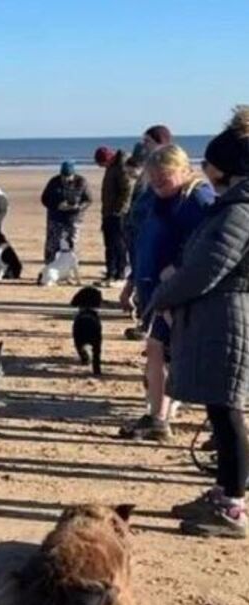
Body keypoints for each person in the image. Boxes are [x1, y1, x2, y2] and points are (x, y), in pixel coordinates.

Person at [147, 106, 249, 538]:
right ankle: (226, 490)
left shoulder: (238, 211)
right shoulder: (233, 206)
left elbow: (205, 269)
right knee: (220, 408)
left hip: (226, 320)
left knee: (227, 412)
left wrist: (162, 294)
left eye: (208, 163)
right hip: (217, 317)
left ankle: (233, 506)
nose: (204, 170)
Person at [117, 145, 215, 442]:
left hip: (186, 291)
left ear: (185, 171)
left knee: (196, 356)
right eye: (153, 179)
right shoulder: (153, 200)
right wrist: (133, 281)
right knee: (157, 348)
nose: (159, 184)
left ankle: (216, 421)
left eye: (165, 178)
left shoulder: (198, 199)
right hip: (155, 290)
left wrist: (177, 269)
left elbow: (212, 245)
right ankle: (158, 418)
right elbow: (143, 243)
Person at [121, 126, 175, 339]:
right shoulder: (147, 171)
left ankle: (154, 332)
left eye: (146, 141)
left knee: (154, 287)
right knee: (144, 283)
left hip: (153, 239)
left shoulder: (164, 173)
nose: (143, 146)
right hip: (140, 238)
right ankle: (148, 327)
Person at [40, 161, 92, 265]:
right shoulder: (54, 182)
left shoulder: (82, 182)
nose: (65, 179)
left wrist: (77, 207)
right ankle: (49, 266)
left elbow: (88, 200)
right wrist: (56, 206)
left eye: (68, 176)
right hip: (55, 218)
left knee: (72, 244)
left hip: (73, 219)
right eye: (63, 176)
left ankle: (70, 270)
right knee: (52, 245)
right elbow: (44, 199)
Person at [94, 146, 133, 287]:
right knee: (109, 244)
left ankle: (120, 274)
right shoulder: (111, 168)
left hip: (118, 214)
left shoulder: (121, 167)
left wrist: (120, 210)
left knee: (119, 245)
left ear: (108, 159)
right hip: (108, 212)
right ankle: (111, 273)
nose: (101, 167)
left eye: (102, 164)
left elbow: (127, 190)